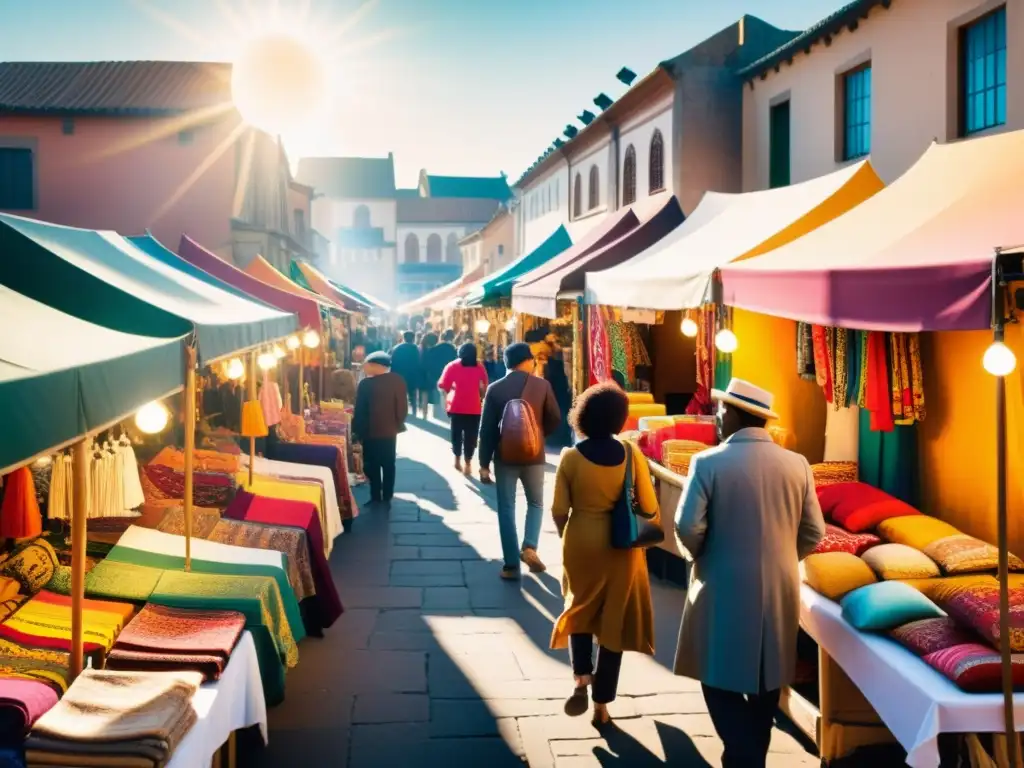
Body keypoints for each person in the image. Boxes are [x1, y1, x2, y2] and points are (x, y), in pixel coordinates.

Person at [674, 378, 826, 768]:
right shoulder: (797, 464)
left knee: (715, 672)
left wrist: (702, 557)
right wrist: (780, 557)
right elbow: (814, 531)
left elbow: (687, 527)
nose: (718, 417)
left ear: (737, 414)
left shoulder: (708, 462)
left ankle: (741, 753)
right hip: (779, 586)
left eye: (722, 410)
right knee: (767, 676)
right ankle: (750, 754)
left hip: (720, 583)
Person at [550, 383, 660, 726]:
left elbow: (558, 509)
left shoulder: (570, 457)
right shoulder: (631, 453)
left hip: (580, 540)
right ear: (619, 418)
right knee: (613, 621)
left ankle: (581, 677)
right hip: (621, 545)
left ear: (582, 415)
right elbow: (650, 506)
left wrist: (566, 533)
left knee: (580, 608)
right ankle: (602, 706)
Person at [478, 342, 561, 579]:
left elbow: (487, 431)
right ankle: (530, 546)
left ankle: (511, 565)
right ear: (526, 360)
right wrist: (538, 435)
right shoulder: (542, 385)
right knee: (535, 503)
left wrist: (484, 464)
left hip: (505, 457)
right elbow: (555, 418)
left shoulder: (495, 388)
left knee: (506, 508)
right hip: (534, 456)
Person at [352, 351, 408, 505]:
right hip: (390, 431)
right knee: (389, 463)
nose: (365, 368)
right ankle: (388, 494)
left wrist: (356, 430)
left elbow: (360, 410)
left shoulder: (366, 384)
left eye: (367, 365)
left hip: (370, 431)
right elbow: (402, 407)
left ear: (376, 366)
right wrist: (397, 423)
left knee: (371, 464)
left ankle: (376, 495)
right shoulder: (398, 380)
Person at [438, 343, 489, 475]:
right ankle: (468, 463)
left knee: (456, 434)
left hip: (455, 406)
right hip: (474, 407)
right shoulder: (479, 366)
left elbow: (444, 385)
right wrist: (481, 398)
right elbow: (484, 386)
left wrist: (447, 399)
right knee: (471, 436)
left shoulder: (452, 366)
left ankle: (457, 459)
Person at [390, 330, 423, 417]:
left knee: (401, 394)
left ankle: (401, 412)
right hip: (413, 374)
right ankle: (414, 412)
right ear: (413, 338)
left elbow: (392, 362)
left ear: (404, 338)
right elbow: (419, 362)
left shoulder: (396, 348)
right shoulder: (416, 349)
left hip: (399, 374)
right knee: (413, 394)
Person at [418, 332, 439, 416]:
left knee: (424, 393)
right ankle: (434, 412)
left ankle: (424, 412)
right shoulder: (435, 350)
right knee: (433, 392)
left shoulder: (421, 349)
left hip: (422, 373)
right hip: (432, 373)